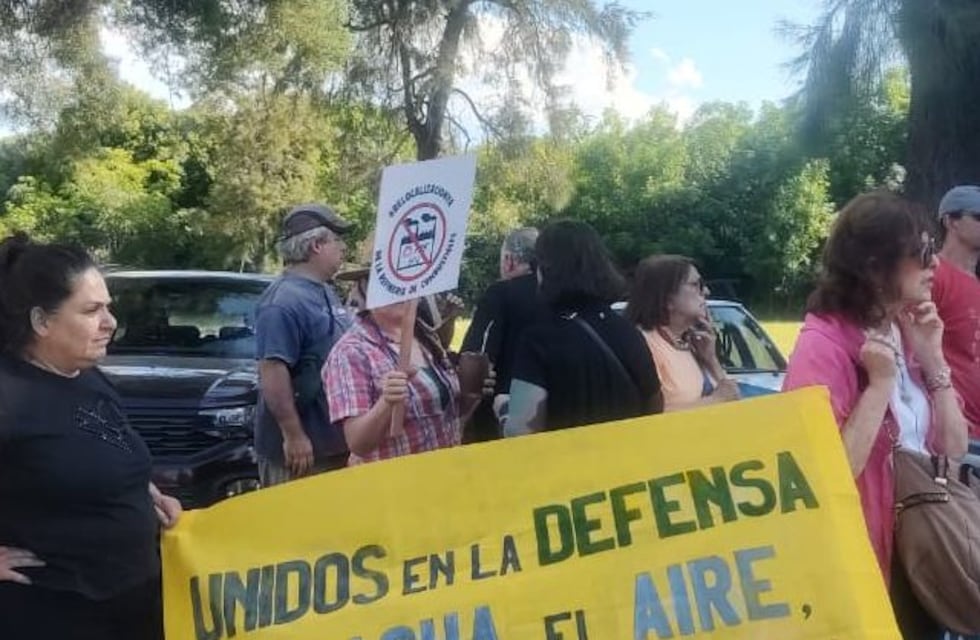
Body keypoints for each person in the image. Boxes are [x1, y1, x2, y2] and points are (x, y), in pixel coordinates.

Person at [781, 192, 968, 637]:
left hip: (922, 546)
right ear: (873, 264)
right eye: (922, 252)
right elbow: (820, 478)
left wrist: (934, 360)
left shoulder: (907, 329)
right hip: (869, 561)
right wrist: (879, 386)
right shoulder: (822, 347)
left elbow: (955, 449)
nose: (935, 263)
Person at [0, 234, 182, 639]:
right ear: (41, 321)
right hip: (53, 613)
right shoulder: (8, 393)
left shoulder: (87, 376)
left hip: (131, 604)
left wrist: (144, 493)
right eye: (91, 310)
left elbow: (93, 454)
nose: (110, 323)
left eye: (109, 308)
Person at [504, 219, 663, 435]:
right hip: (626, 463)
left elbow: (521, 432)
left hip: (566, 465)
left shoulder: (539, 340)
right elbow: (655, 405)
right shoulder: (628, 331)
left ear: (548, 269)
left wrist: (503, 411)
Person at [254, 203, 353, 486]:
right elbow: (272, 369)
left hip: (331, 446)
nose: (343, 248)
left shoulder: (323, 291)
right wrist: (293, 435)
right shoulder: (282, 302)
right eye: (337, 240)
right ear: (317, 245)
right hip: (304, 454)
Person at [324, 299, 489, 465]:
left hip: (443, 471)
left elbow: (445, 414)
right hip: (393, 480)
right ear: (365, 291)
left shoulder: (423, 334)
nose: (399, 293)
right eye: (388, 285)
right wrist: (386, 402)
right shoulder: (351, 352)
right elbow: (358, 443)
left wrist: (470, 389)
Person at [460, 227, 548, 440]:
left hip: (502, 414)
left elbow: (476, 358)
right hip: (548, 409)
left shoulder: (499, 294)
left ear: (509, 260)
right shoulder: (556, 294)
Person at [626, 255, 740, 411]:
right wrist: (716, 400)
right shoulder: (643, 344)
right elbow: (651, 417)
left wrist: (711, 360)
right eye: (695, 284)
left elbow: (733, 398)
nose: (706, 291)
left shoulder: (693, 343)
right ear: (666, 298)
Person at [934, 186, 980, 435]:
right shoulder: (933, 275)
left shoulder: (974, 282)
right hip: (954, 432)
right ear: (951, 221)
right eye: (978, 217)